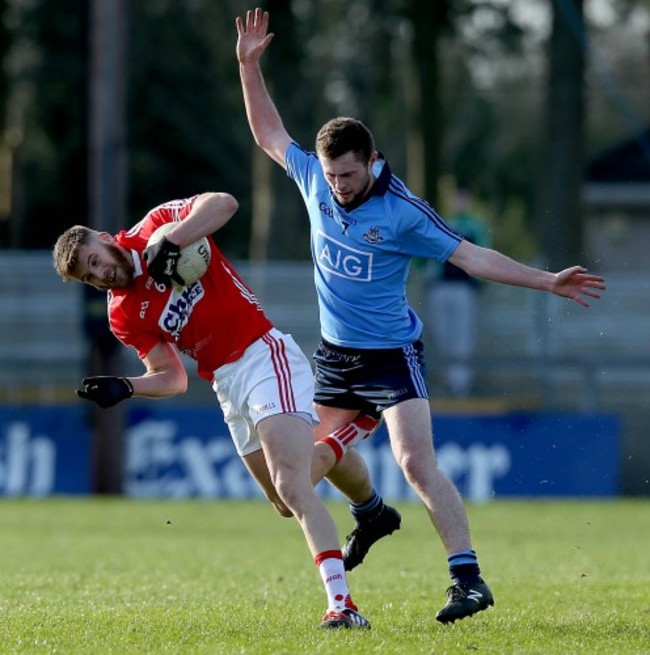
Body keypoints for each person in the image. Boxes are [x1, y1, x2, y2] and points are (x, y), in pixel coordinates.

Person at [236, 7, 607, 625]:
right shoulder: (314, 181)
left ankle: (469, 579)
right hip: (334, 355)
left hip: (392, 356)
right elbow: (269, 134)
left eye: (348, 175)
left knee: (416, 462)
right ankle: (371, 514)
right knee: (293, 483)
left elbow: (471, 256)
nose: (338, 187)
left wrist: (546, 280)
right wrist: (249, 67)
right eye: (330, 176)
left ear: (372, 160)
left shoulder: (404, 210)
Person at [51, 192, 371, 630]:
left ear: (106, 240)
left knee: (293, 486)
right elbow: (172, 377)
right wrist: (127, 387)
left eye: (95, 260)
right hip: (223, 381)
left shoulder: (158, 226)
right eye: (90, 276)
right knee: (282, 500)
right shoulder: (122, 315)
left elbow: (225, 204)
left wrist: (173, 241)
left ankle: (343, 606)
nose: (100, 275)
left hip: (262, 354)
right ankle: (352, 450)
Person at [424, 186, 491, 397]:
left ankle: (460, 385)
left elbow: (485, 254)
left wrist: (480, 282)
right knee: (442, 335)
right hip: (440, 287)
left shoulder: (475, 226)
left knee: (462, 336)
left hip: (464, 288)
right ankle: (446, 381)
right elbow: (424, 255)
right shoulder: (443, 223)